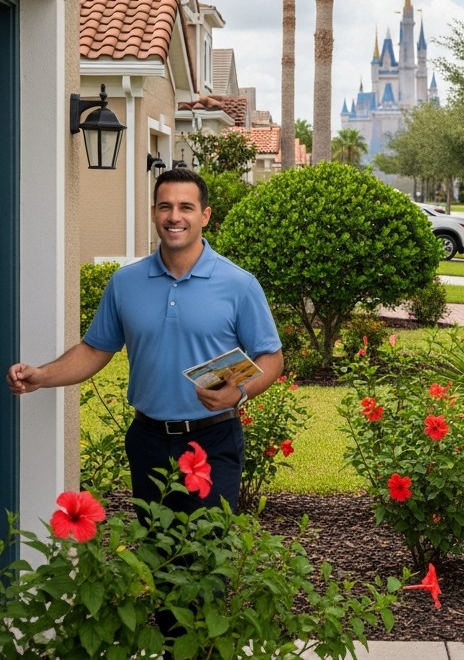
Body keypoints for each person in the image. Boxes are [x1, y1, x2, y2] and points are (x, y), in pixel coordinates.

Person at [6, 167, 284, 514]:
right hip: (148, 439)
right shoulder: (125, 283)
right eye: (165, 206)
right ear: (153, 213)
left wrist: (238, 393)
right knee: (154, 553)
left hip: (212, 439)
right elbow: (95, 350)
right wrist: (42, 376)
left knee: (208, 552)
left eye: (186, 207)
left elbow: (272, 358)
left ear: (205, 216)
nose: (174, 217)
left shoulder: (239, 284)